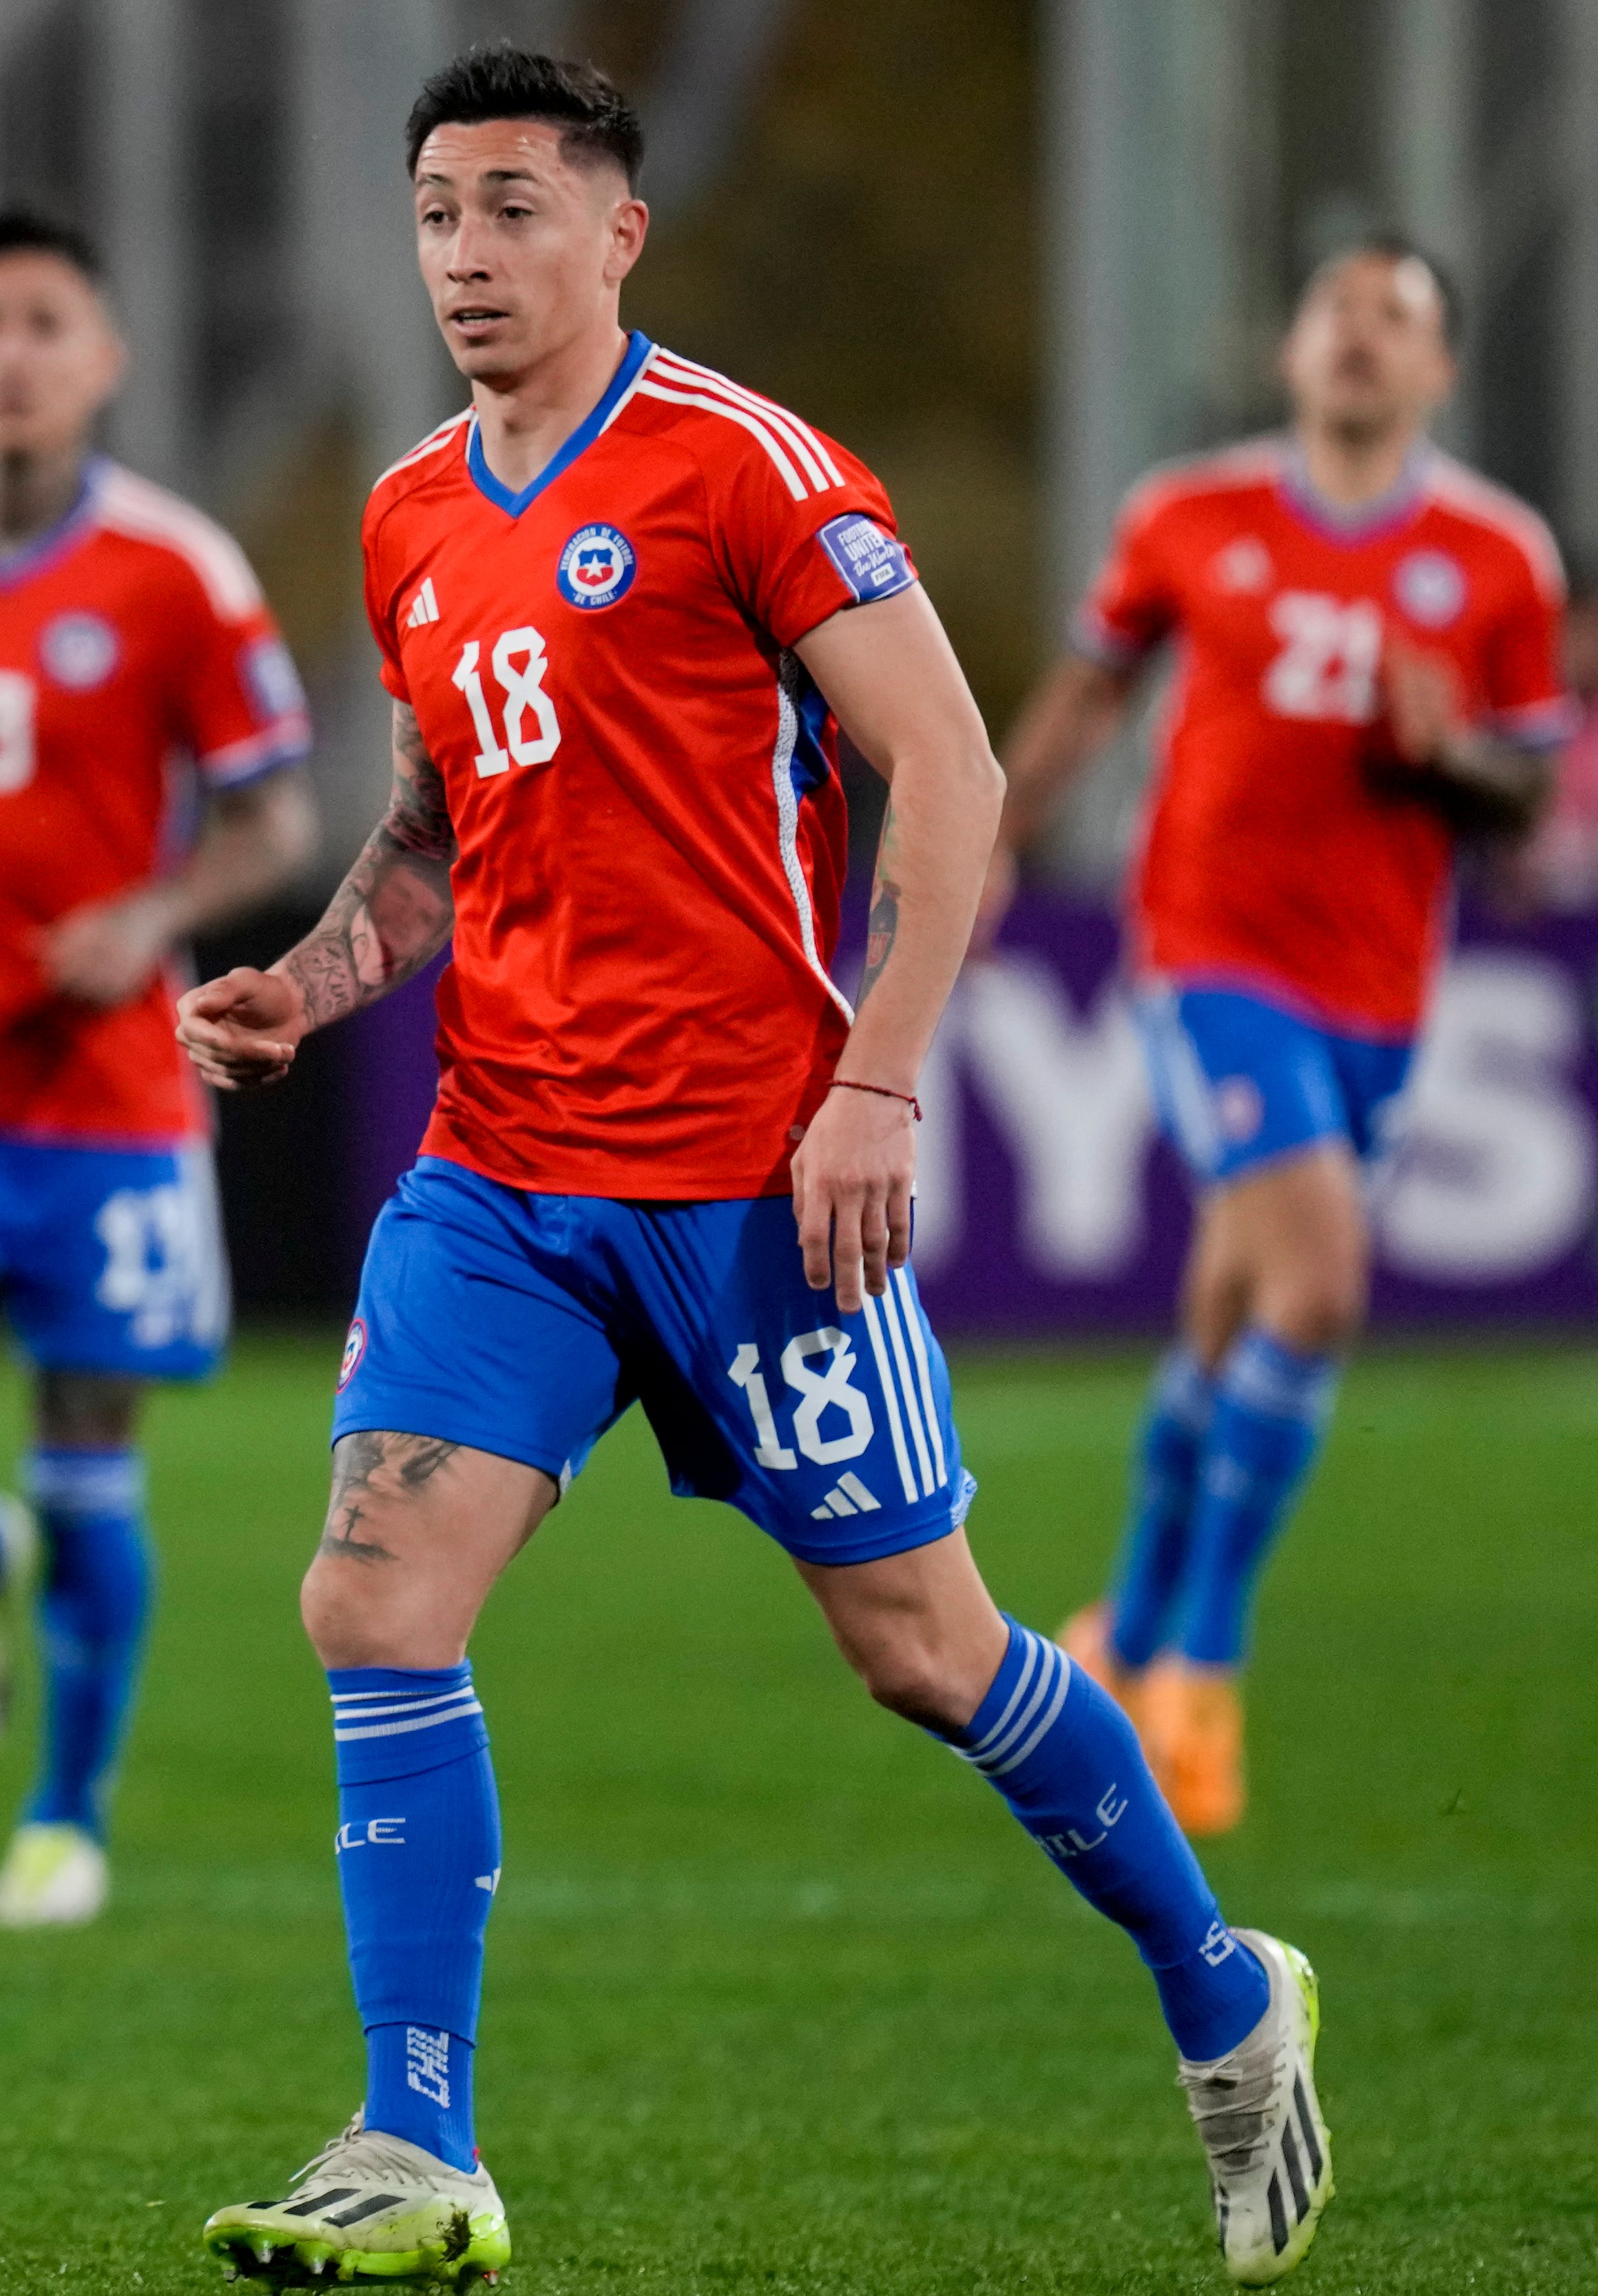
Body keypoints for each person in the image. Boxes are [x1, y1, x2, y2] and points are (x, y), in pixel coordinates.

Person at [178, 51, 1327, 2290]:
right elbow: (431, 838)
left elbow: (956, 773)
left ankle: (1223, 1993)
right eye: (434, 215)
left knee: (924, 1648)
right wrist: (314, 984)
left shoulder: (748, 470)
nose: (467, 257)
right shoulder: (410, 508)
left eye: (516, 209)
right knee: (370, 1597)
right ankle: (421, 2144)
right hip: (502, 1172)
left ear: (621, 232)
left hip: (755, 1186)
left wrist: (877, 1087)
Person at [1000, 240, 1572, 1840]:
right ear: (1293, 348)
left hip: (1380, 984)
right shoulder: (1190, 516)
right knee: (1318, 1281)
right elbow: (1094, 686)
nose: (1359, 342)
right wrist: (991, 832)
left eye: (1396, 322)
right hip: (1205, 949)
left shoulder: (1497, 557)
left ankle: (1113, 1627)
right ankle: (1199, 1672)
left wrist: (1447, 754)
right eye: (1338, 312)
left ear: (1438, 371)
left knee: (1228, 1310)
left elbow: (1523, 794)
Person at [0, 210, 316, 1928]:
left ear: (104, 361)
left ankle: (65, 1818)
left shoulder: (178, 571)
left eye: (47, 323)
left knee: (94, 1454)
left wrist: (153, 909)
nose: (14, 352)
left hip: (101, 1096)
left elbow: (275, 817)